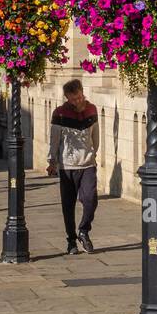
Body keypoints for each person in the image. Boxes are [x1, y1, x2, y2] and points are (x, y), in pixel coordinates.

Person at [47, 78, 99, 254]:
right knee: (68, 205)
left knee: (91, 199)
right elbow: (54, 140)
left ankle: (84, 230)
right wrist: (52, 161)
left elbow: (95, 136)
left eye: (78, 97)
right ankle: (71, 240)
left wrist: (92, 153)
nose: (77, 101)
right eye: (72, 99)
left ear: (82, 92)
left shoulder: (92, 109)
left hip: (87, 164)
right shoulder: (59, 114)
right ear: (67, 98)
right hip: (67, 166)